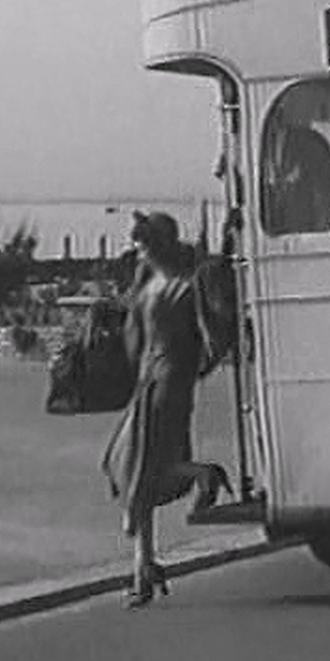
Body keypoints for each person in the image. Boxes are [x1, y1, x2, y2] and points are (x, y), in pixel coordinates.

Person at [100, 211, 231, 608]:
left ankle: (204, 475)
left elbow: (210, 334)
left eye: (143, 244)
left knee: (147, 464)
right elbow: (133, 336)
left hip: (171, 380)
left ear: (158, 244)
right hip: (149, 378)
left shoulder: (185, 286)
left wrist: (198, 366)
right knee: (128, 461)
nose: (139, 251)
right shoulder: (149, 283)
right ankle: (143, 565)